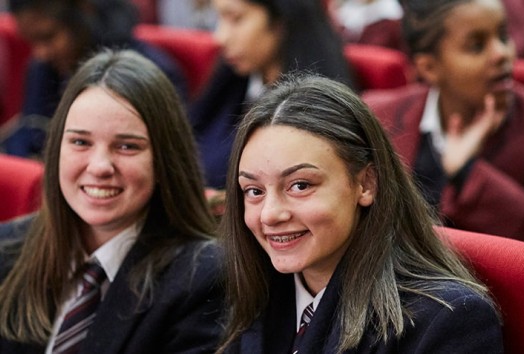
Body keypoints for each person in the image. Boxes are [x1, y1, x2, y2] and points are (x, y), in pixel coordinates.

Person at [216, 74, 502, 353]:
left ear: (366, 184)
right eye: (254, 191)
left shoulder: (444, 320)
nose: (269, 214)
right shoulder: (257, 293)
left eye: (300, 185)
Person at [0, 49, 223, 353]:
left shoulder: (204, 279)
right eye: (80, 142)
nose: (100, 166)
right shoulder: (7, 247)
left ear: (164, 159)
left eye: (127, 146)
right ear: (55, 151)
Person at [363, 0, 524, 241]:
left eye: (503, 37)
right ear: (428, 68)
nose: (502, 53)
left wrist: (466, 171)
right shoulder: (378, 115)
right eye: (477, 46)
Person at [189, 0, 357, 190]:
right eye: (218, 18)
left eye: (236, 19)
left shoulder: (317, 111)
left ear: (280, 22)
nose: (220, 37)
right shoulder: (232, 84)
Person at [2, 0, 188, 159]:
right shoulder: (44, 67)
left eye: (48, 37)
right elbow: (30, 133)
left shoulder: (152, 74)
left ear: (84, 12)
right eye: (31, 41)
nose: (41, 53)